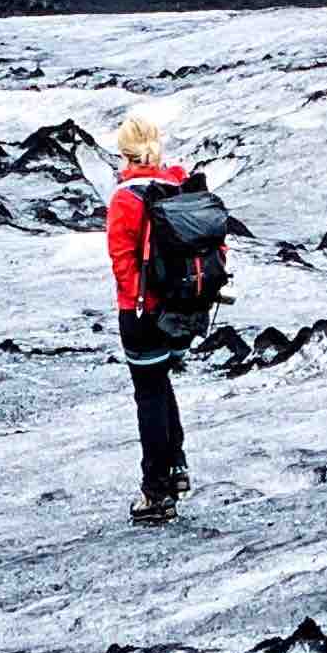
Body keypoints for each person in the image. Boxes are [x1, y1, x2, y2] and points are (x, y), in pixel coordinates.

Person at [103, 108, 196, 525]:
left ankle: (155, 492)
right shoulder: (178, 187)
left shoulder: (125, 199)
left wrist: (138, 302)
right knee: (161, 383)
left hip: (141, 312)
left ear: (125, 155)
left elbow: (121, 263)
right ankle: (175, 468)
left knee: (149, 394)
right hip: (183, 308)